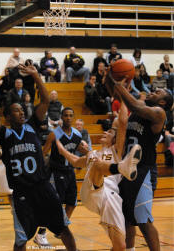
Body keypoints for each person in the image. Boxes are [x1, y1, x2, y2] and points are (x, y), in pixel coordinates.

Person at [0, 67, 78, 251]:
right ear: (8, 116)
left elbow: (46, 100)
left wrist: (35, 75)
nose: (22, 112)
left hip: (43, 187)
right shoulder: (5, 135)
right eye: (17, 111)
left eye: (22, 110)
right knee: (21, 240)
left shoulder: (32, 126)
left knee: (63, 229)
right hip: (22, 192)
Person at [55, 101, 142, 251]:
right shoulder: (92, 154)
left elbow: (122, 123)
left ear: (114, 140)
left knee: (120, 246)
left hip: (110, 196)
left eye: (109, 133)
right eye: (106, 131)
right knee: (96, 164)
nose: (105, 132)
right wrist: (61, 148)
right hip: (92, 190)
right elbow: (75, 161)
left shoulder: (115, 151)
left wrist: (122, 98)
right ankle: (121, 167)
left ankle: (120, 167)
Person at [105, 72, 173, 251]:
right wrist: (109, 78)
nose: (153, 91)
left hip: (144, 171)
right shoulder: (140, 106)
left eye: (158, 92)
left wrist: (118, 85)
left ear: (163, 102)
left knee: (143, 220)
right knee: (126, 217)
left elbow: (133, 104)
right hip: (127, 168)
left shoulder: (159, 113)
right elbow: (117, 94)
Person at [34, 108, 87, 245]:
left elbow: (80, 150)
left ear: (73, 117)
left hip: (70, 171)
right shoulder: (54, 134)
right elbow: (43, 152)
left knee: (72, 203)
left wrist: (88, 152)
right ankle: (41, 234)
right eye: (66, 115)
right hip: (56, 172)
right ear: (62, 117)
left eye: (71, 115)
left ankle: (60, 230)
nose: (68, 118)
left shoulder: (77, 134)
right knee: (54, 204)